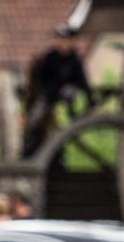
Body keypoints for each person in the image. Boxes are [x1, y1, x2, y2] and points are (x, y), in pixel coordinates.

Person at [22, 26, 96, 157]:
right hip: (48, 95)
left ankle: (71, 119)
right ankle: (27, 145)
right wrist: (42, 93)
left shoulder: (75, 61)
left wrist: (91, 101)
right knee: (35, 117)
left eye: (67, 40)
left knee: (69, 94)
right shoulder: (50, 57)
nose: (64, 43)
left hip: (66, 96)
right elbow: (39, 78)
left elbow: (83, 82)